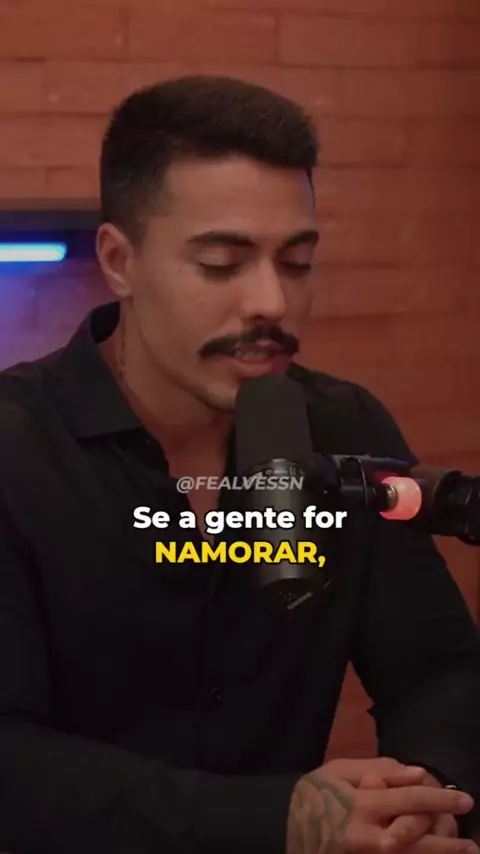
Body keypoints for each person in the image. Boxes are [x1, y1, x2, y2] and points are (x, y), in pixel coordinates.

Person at [0, 75, 479, 854]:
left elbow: (438, 668)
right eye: (222, 263)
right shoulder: (16, 452)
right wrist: (276, 820)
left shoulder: (345, 424)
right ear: (120, 260)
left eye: (297, 262)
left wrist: (423, 800)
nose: (272, 303)